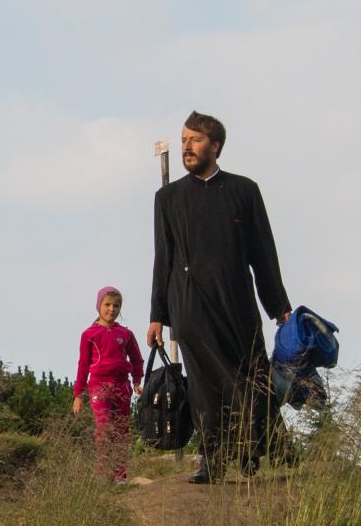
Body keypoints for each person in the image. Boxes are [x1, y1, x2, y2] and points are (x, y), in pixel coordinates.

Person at [148, 111, 293, 483]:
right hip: (190, 304)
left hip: (237, 302)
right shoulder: (168, 197)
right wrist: (157, 315)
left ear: (216, 146)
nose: (186, 147)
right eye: (183, 140)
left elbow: (263, 254)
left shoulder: (245, 191)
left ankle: (260, 450)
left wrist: (279, 307)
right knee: (204, 385)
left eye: (194, 140)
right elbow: (163, 258)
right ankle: (212, 461)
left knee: (251, 376)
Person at [72, 286, 146, 482]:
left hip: (122, 387)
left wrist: (137, 380)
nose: (111, 309)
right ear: (98, 306)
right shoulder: (89, 334)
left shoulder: (126, 334)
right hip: (98, 386)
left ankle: (120, 475)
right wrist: (78, 395)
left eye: (116, 305)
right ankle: (103, 474)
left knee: (121, 430)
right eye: (107, 305)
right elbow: (83, 365)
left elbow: (137, 359)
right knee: (104, 430)